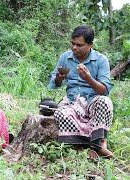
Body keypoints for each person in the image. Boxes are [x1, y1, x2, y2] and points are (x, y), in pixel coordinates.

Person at [48, 25, 114, 158]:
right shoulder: (65, 57)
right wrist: (59, 79)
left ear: (90, 45)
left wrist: (88, 79)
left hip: (92, 100)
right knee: (60, 114)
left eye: (79, 45)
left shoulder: (101, 60)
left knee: (105, 102)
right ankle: (92, 145)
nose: (74, 48)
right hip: (72, 101)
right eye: (72, 43)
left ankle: (98, 145)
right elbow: (53, 85)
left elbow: (105, 90)